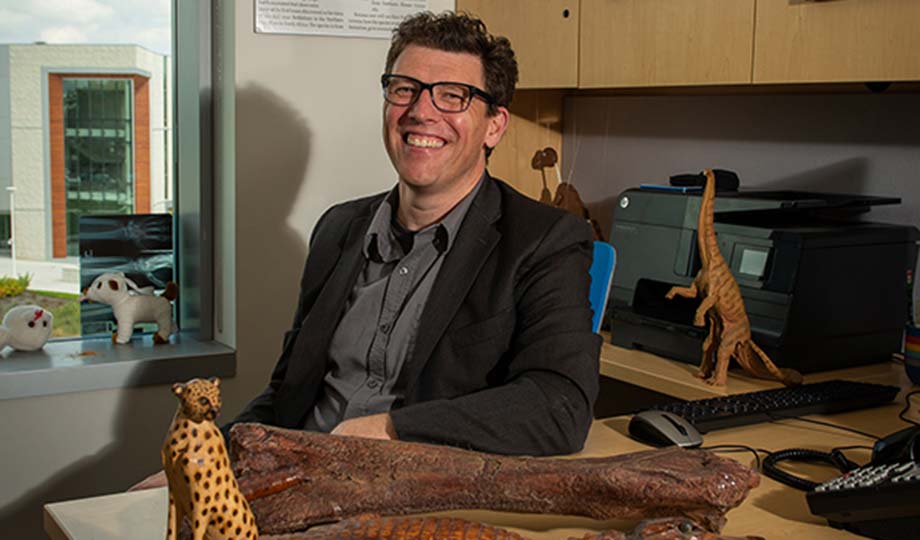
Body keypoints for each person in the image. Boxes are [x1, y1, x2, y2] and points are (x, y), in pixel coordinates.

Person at [132, 11, 600, 491]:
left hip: (410, 493)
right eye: (405, 89)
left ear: (494, 126)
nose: (421, 111)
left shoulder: (545, 240)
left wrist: (391, 429)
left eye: (452, 95)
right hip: (291, 480)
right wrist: (209, 459)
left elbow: (559, 404)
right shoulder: (338, 228)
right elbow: (287, 395)